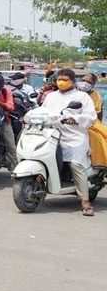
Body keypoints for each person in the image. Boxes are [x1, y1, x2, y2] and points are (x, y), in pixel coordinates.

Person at [41, 69, 97, 216]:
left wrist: (76, 119)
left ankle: (85, 202)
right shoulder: (51, 96)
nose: (61, 82)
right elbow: (42, 112)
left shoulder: (82, 97)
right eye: (59, 79)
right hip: (52, 134)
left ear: (72, 81)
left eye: (65, 79)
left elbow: (91, 116)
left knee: (75, 165)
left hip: (74, 136)